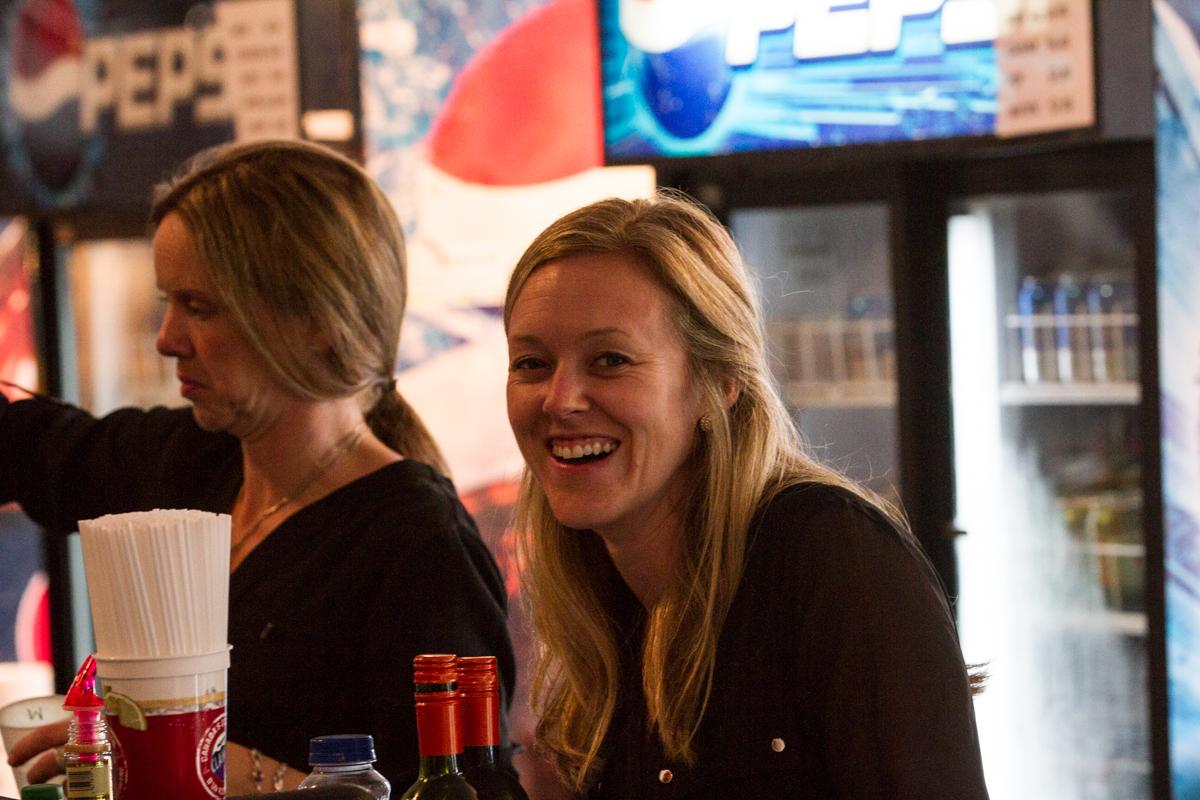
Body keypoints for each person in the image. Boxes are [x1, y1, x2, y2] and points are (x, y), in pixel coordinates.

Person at [1, 139, 516, 792]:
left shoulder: (418, 546)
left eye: (199, 307)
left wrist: (189, 753)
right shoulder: (191, 461)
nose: (166, 338)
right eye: (168, 301)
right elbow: (33, 444)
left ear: (318, 322)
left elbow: (466, 788)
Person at [503, 193, 989, 798]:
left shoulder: (830, 556)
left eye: (609, 360)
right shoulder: (603, 604)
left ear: (720, 382)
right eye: (531, 363)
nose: (559, 399)